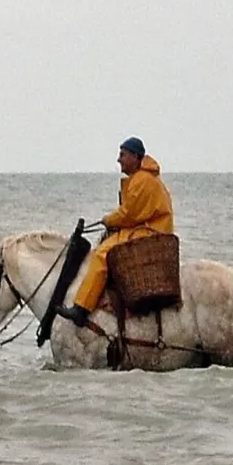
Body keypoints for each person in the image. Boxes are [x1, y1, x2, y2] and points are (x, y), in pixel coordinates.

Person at [57, 137, 174, 327]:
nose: (118, 160)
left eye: (122, 155)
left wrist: (108, 220)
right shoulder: (143, 178)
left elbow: (128, 214)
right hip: (146, 228)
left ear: (135, 156)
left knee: (103, 255)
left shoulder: (142, 180)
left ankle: (81, 308)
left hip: (149, 232)